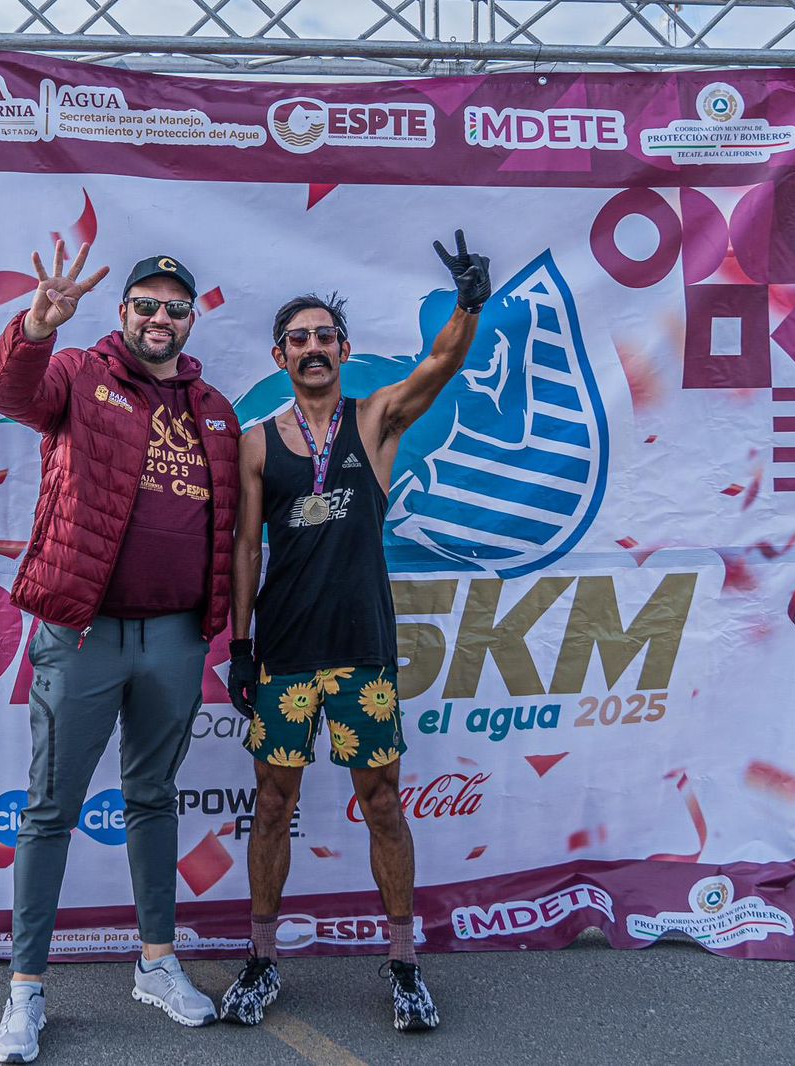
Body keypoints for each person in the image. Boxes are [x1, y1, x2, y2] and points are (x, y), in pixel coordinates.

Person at [220, 231, 490, 1033]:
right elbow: (245, 547)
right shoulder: (257, 441)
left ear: (344, 349)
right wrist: (241, 647)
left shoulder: (374, 421)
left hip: (361, 652)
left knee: (382, 805)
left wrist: (469, 305)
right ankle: (262, 961)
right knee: (273, 805)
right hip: (285, 655)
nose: (313, 348)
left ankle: (405, 966)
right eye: (298, 338)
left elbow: (440, 365)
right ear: (279, 356)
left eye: (324, 336)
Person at [0, 242, 241, 1063]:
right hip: (84, 633)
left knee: (153, 798)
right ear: (123, 312)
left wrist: (218, 625)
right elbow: (10, 392)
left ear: (190, 320)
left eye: (175, 307)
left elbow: (227, 526)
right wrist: (35, 328)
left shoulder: (217, 410)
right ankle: (26, 990)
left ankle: (157, 963)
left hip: (176, 637)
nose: (160, 318)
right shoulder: (80, 376)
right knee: (50, 809)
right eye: (146, 305)